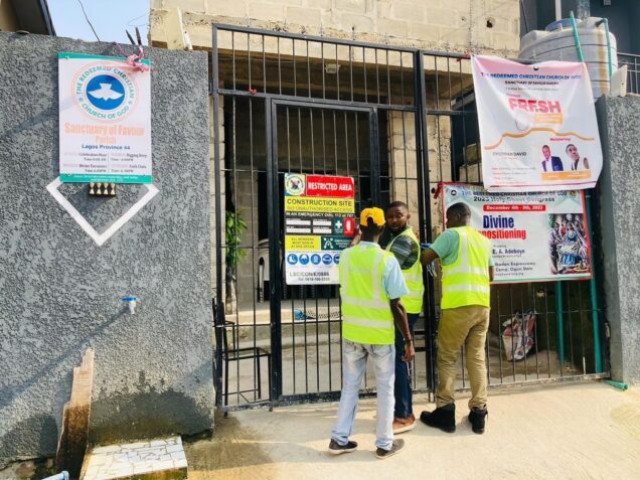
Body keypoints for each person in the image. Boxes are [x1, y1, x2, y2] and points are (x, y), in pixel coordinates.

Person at [329, 207, 415, 459]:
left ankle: (339, 438)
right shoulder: (387, 260)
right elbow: (397, 304)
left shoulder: (345, 256)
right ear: (382, 228)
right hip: (379, 336)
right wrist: (408, 340)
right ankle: (384, 443)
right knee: (386, 389)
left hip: (353, 333)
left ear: (360, 228)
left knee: (350, 387)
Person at [419, 202, 494, 434]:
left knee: (448, 357)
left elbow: (425, 259)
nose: (446, 222)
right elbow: (491, 275)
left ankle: (445, 410)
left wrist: (426, 249)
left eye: (448, 218)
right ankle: (479, 412)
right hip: (482, 305)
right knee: (476, 358)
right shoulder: (484, 240)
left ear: (458, 216)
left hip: (457, 305)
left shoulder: (450, 235)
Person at [379, 201, 424, 434]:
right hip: (402, 304)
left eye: (399, 215)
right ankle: (401, 409)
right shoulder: (399, 239)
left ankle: (405, 415)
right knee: (397, 358)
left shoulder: (405, 241)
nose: (394, 220)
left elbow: (386, 269)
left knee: (399, 359)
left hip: (403, 307)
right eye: (390, 217)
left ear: (407, 216)